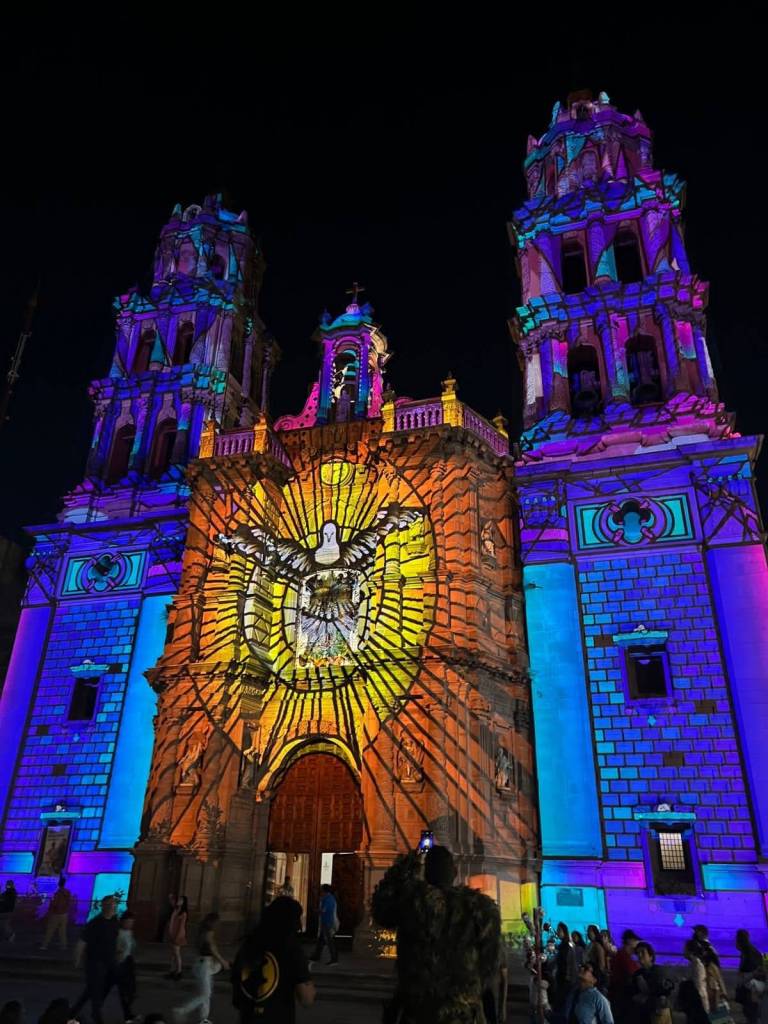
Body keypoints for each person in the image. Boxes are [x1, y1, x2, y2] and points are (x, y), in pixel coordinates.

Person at [371, 845, 502, 1024]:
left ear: (425, 874)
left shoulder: (411, 903)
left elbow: (380, 910)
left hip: (418, 1010)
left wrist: (405, 865)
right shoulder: (480, 908)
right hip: (462, 1012)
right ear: (455, 872)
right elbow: (490, 965)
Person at [232, 896, 316, 1023]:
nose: (299, 926)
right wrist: (308, 979)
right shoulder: (291, 949)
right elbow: (306, 999)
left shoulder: (247, 945)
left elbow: (237, 998)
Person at [71, 895, 120, 1024]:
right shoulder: (95, 923)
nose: (113, 907)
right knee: (95, 989)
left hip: (109, 961)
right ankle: (96, 1014)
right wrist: (77, 959)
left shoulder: (114, 921)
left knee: (92, 989)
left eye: (114, 904)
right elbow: (82, 942)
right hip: (95, 962)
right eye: (110, 904)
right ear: (104, 906)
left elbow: (115, 939)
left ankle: (73, 1012)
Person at [175, 911, 229, 1024]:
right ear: (213, 922)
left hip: (202, 963)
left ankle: (203, 1019)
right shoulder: (209, 933)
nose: (219, 924)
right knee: (205, 994)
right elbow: (212, 948)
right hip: (205, 964)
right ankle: (183, 1010)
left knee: (206, 994)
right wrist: (222, 961)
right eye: (217, 922)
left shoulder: (202, 932)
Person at [630, 941, 674, 1024]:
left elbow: (660, 994)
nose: (640, 955)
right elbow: (634, 996)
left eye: (643, 952)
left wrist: (646, 997)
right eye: (638, 953)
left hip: (658, 1015)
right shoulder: (637, 974)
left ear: (651, 956)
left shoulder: (658, 972)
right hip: (643, 1016)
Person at [608, 929, 640, 1021]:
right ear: (630, 941)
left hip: (617, 995)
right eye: (636, 941)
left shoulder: (621, 955)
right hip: (622, 996)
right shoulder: (624, 957)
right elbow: (633, 974)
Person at [113, 910, 138, 1023]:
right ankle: (128, 1016)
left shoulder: (129, 932)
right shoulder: (118, 933)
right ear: (123, 922)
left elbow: (132, 946)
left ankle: (128, 1015)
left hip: (128, 961)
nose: (130, 924)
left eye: (132, 922)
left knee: (131, 991)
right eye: (128, 922)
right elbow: (116, 948)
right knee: (124, 991)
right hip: (120, 963)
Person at [310, 884, 339, 966]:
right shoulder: (328, 898)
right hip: (326, 922)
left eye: (321, 890)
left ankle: (334, 959)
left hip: (327, 922)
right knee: (321, 940)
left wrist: (315, 911)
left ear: (324, 891)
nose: (320, 892)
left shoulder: (328, 899)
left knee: (329, 941)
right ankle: (316, 956)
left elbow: (324, 910)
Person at [41, 878, 72, 951]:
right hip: (64, 914)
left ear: (59, 883)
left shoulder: (58, 893)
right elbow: (68, 902)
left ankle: (45, 945)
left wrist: (50, 910)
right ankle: (63, 946)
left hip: (56, 913)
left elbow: (55, 903)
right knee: (62, 931)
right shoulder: (67, 892)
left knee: (50, 930)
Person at [552, 921, 577, 1012]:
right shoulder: (561, 945)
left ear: (565, 932)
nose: (558, 932)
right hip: (561, 976)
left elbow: (570, 962)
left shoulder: (568, 946)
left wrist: (569, 977)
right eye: (557, 930)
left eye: (559, 930)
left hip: (566, 978)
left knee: (564, 1002)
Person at [167, 895, 188, 980]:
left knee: (176, 953)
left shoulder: (183, 913)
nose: (179, 901)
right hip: (173, 932)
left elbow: (181, 926)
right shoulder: (176, 910)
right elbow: (171, 902)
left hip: (178, 934)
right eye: (178, 899)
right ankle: (172, 971)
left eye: (181, 900)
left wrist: (177, 936)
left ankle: (179, 971)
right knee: (173, 954)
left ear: (184, 902)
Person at [585, 924, 609, 992]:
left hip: (595, 972)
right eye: (587, 932)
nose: (588, 933)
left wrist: (598, 974)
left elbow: (601, 963)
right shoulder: (590, 944)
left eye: (590, 932)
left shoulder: (597, 945)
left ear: (594, 933)